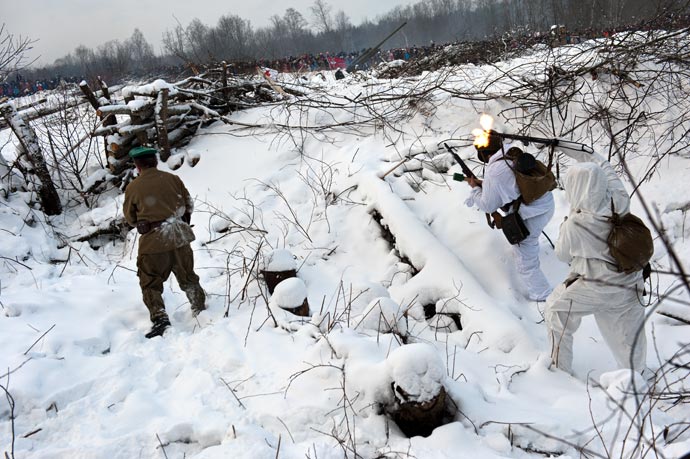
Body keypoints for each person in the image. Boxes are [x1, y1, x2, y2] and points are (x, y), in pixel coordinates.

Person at [545, 143, 647, 375]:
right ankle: (636, 377)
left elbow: (562, 255)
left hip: (596, 287)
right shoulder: (618, 199)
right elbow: (603, 164)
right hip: (631, 281)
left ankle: (558, 372)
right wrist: (565, 145)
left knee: (556, 310)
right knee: (629, 336)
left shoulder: (576, 225)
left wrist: (564, 225)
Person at [123, 146, 206, 338]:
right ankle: (200, 309)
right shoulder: (173, 179)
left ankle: (160, 318)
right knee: (188, 277)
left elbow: (130, 218)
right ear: (155, 161)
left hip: (153, 243)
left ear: (137, 165)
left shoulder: (133, 187)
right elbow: (189, 205)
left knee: (150, 282)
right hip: (179, 237)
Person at [464, 134, 555, 301]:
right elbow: (510, 183)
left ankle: (543, 295)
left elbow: (488, 205)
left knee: (526, 263)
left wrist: (475, 189)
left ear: (484, 154)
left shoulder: (494, 170)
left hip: (530, 215)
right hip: (546, 204)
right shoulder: (512, 153)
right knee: (531, 239)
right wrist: (486, 185)